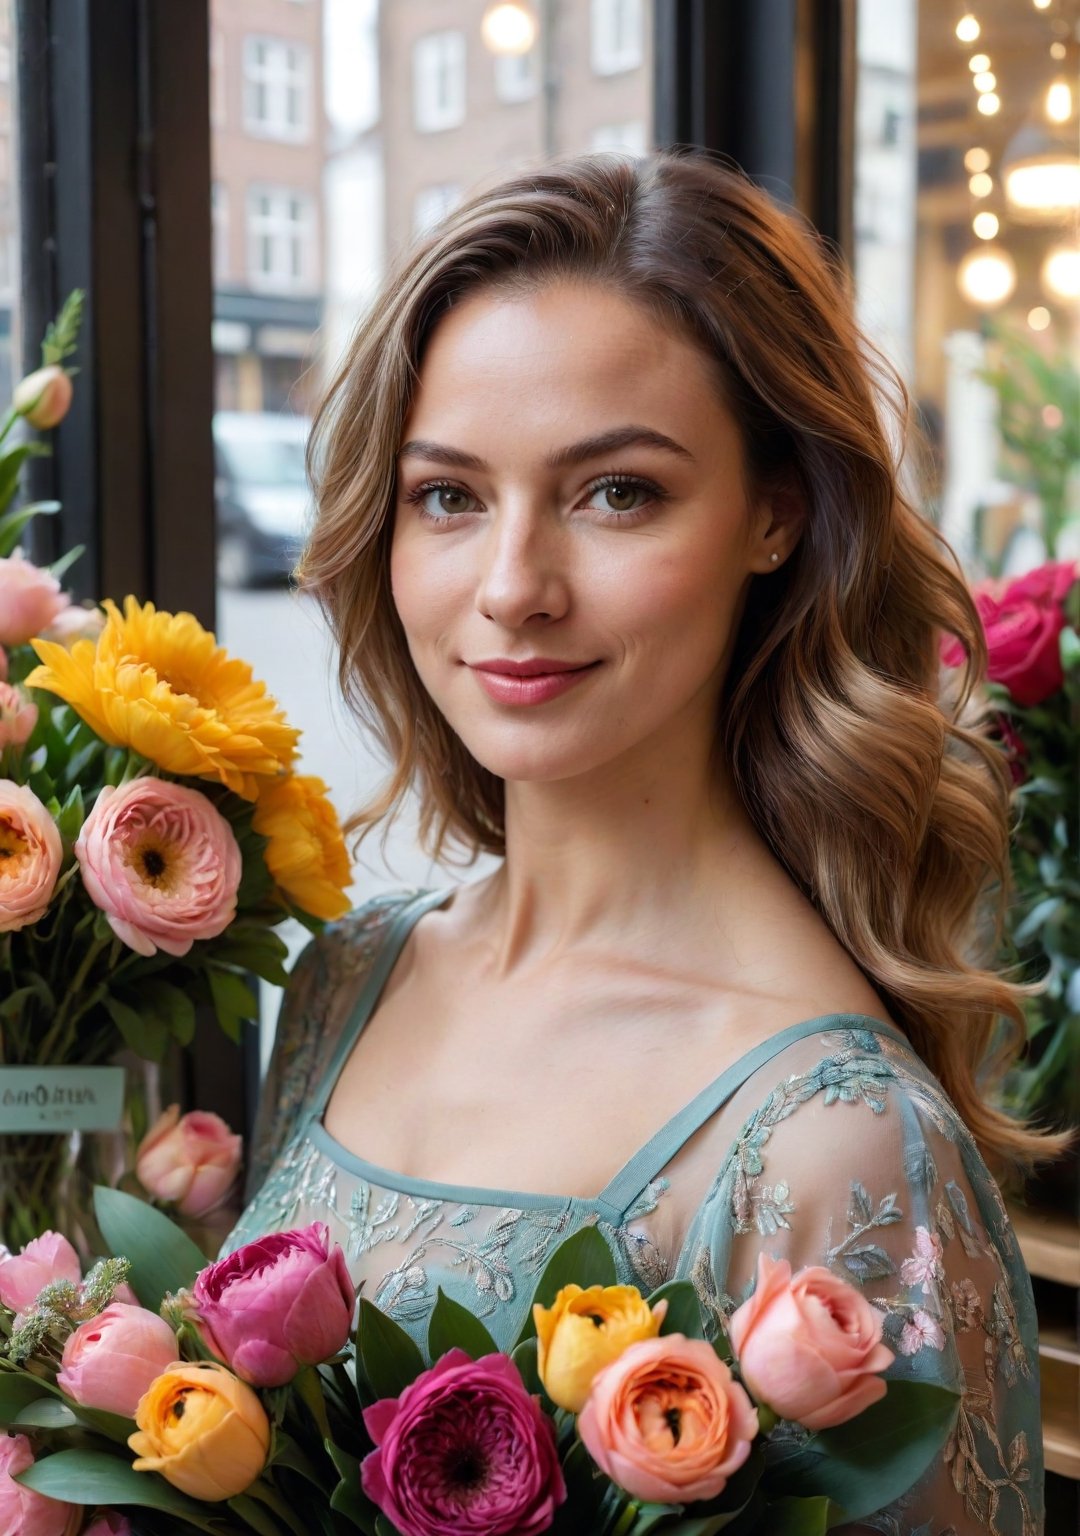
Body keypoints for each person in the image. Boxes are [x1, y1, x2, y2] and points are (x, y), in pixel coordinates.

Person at [226, 150, 1062, 1534]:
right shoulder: (346, 980)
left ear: (777, 514)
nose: (512, 588)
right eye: (449, 496)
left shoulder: (836, 1147)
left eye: (615, 492)